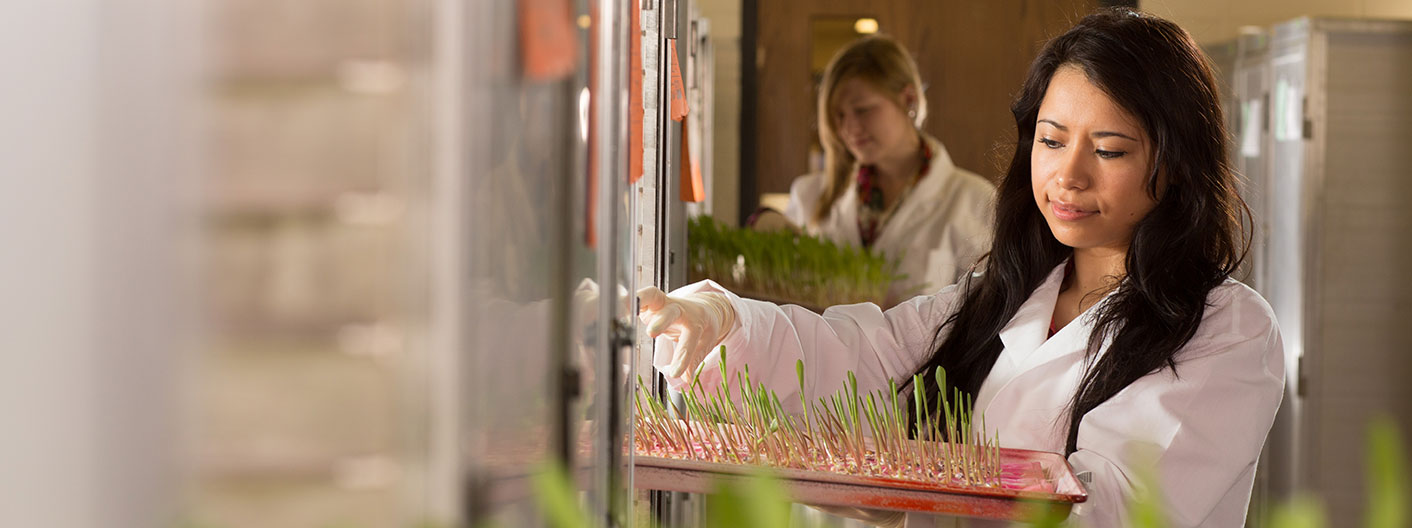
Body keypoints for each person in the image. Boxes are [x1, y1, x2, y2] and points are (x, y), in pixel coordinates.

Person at [638, 8, 1283, 528]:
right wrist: (724, 321)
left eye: (1109, 149)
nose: (1068, 174)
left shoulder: (1225, 330)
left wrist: (915, 491)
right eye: (1052, 140)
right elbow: (865, 354)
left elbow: (1115, 507)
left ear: (1176, 163)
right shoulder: (1005, 296)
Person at [781, 35, 995, 307]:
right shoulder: (809, 195)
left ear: (908, 99)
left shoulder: (975, 201)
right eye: (840, 115)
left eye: (863, 110)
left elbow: (984, 316)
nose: (850, 129)